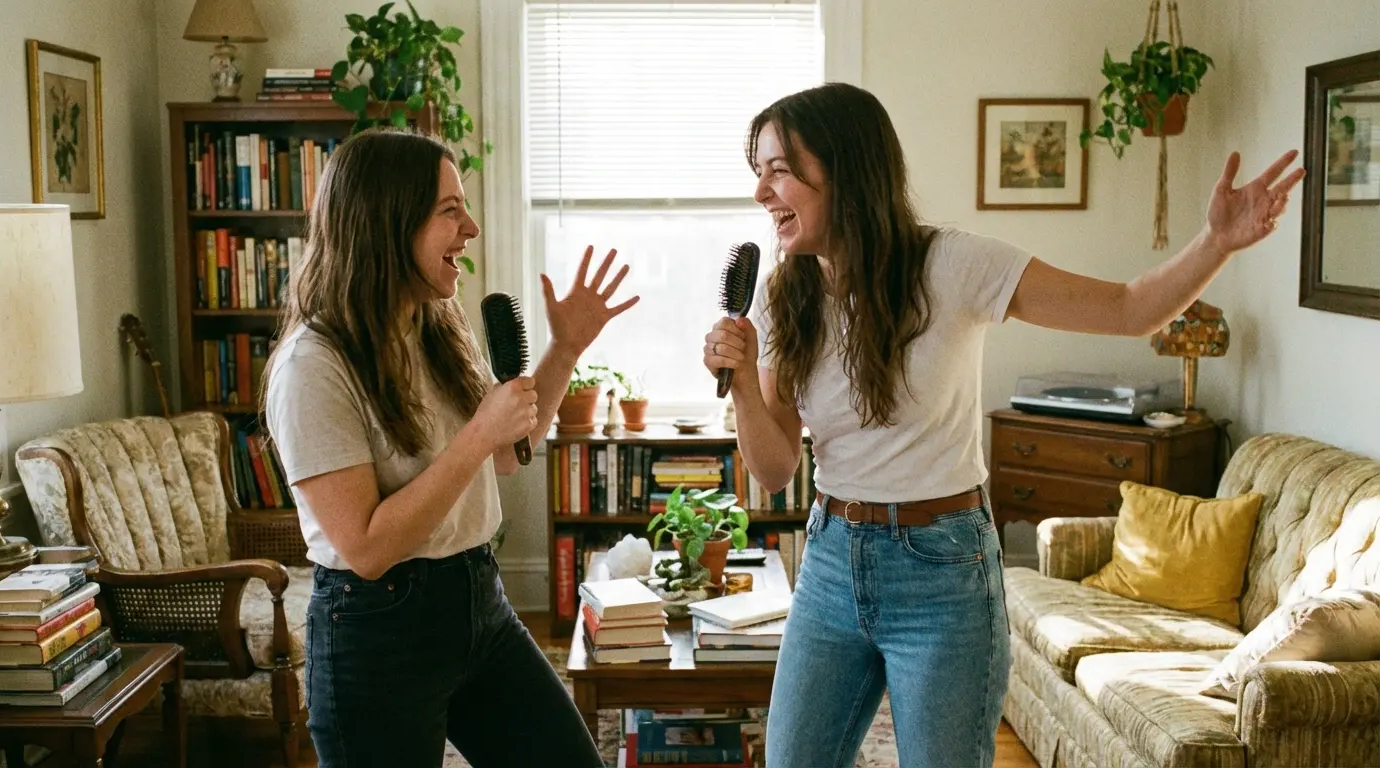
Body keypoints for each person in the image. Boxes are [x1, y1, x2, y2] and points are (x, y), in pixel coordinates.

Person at [701, 82, 1302, 768]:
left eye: (779, 170)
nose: (761, 193)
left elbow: (1131, 310)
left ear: (845, 167)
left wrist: (1216, 242)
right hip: (833, 561)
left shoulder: (953, 264)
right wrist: (745, 383)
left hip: (942, 571)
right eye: (759, 172)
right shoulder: (784, 298)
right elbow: (774, 470)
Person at [263, 129, 636, 767]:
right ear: (387, 224)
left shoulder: (434, 323)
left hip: (477, 602)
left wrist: (565, 348)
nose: (471, 228)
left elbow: (507, 447)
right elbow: (368, 548)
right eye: (449, 211)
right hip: (377, 631)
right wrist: (476, 436)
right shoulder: (312, 366)